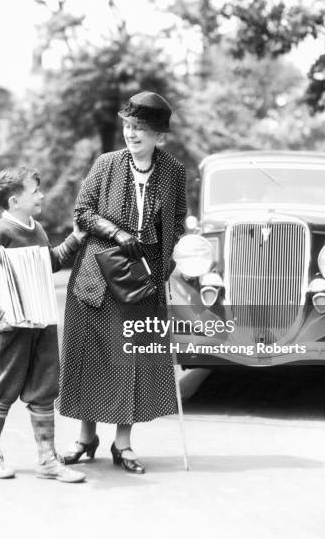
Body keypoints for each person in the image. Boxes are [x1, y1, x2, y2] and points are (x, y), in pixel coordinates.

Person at [58, 91, 187, 474]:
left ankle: (123, 444)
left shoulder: (173, 172)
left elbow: (177, 221)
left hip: (140, 278)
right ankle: (85, 437)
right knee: (91, 357)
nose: (132, 135)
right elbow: (82, 213)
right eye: (129, 127)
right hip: (96, 276)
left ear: (159, 137)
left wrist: (162, 267)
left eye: (141, 130)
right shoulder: (106, 164)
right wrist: (117, 233)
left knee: (130, 358)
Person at [0, 166, 86, 483]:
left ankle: (47, 459)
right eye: (35, 191)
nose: (41, 195)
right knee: (3, 388)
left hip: (42, 324)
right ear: (15, 200)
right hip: (12, 330)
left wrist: (75, 238)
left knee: (44, 389)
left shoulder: (38, 229)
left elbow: (51, 263)